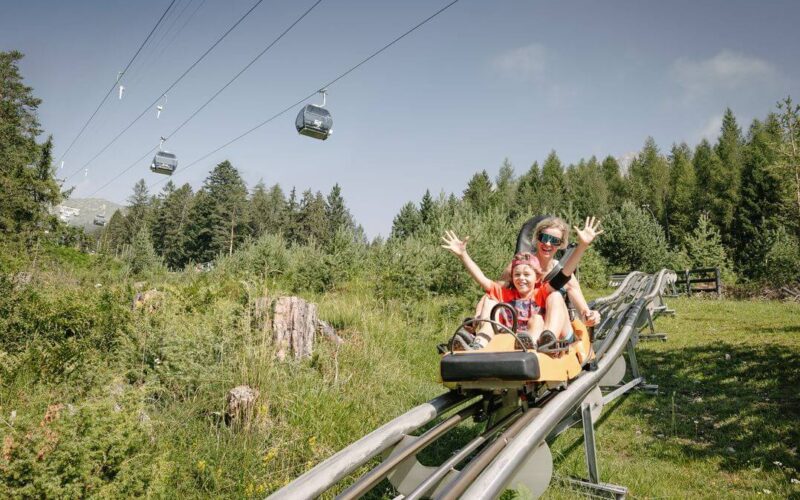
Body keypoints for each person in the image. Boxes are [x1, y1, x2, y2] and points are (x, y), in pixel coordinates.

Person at [442, 217, 603, 350]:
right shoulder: (518, 266)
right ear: (537, 238)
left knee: (553, 298)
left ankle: (546, 340)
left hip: (553, 327)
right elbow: (490, 290)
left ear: (560, 244)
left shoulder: (547, 286)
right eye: (544, 238)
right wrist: (477, 319)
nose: (547, 244)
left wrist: (582, 245)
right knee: (493, 301)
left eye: (554, 241)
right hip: (520, 326)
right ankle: (478, 341)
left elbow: (568, 279)